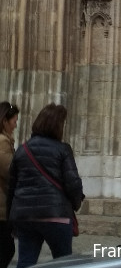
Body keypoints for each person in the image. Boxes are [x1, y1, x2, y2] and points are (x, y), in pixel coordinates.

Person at [8, 103, 84, 268]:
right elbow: (74, 183)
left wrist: (12, 217)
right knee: (62, 262)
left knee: (26, 262)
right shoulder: (63, 150)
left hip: (25, 216)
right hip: (56, 215)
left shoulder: (22, 150)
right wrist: (75, 204)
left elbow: (11, 186)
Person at [0, 102, 19, 268]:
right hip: (1, 205)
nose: (16, 125)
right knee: (7, 249)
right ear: (5, 121)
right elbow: (9, 171)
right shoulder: (2, 142)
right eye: (14, 121)